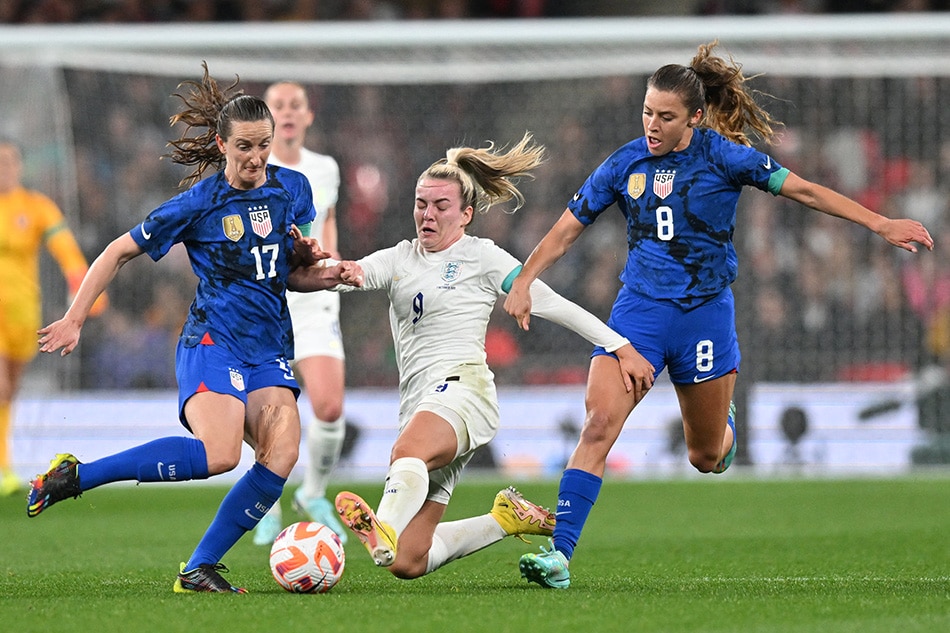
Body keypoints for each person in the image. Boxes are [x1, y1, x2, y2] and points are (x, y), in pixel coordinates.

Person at [504, 40, 935, 589]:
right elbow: (568, 228)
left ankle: (721, 426)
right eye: (646, 112)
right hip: (638, 314)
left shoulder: (724, 155)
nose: (652, 126)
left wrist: (879, 224)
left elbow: (801, 189)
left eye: (666, 117)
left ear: (695, 118)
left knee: (705, 456)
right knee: (598, 425)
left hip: (705, 316)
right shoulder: (624, 163)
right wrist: (525, 278)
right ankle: (560, 556)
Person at [26, 64, 347, 593]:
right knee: (219, 455)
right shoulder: (201, 203)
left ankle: (198, 568)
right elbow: (118, 251)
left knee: (284, 453)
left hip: (268, 346)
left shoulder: (293, 188)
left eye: (263, 145)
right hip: (212, 341)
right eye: (244, 146)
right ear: (222, 144)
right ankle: (78, 475)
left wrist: (327, 272)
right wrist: (75, 316)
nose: (255, 157)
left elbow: (291, 272)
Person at [292, 133, 653, 580]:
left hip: (466, 392)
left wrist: (620, 346)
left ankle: (382, 527)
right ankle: (505, 518)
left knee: (407, 452)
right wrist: (304, 265)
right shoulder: (400, 257)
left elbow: (552, 302)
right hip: (421, 403)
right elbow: (332, 276)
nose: (427, 213)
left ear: (466, 215)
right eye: (421, 203)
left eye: (441, 206)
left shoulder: (482, 257)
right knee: (409, 561)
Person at [252, 80, 348, 546]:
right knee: (272, 411)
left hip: (314, 298)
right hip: (267, 300)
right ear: (266, 117)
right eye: (279, 106)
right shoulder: (253, 168)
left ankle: (312, 494)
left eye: (296, 106)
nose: (288, 113)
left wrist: (331, 264)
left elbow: (327, 221)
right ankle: (266, 504)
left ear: (308, 116)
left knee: (329, 406)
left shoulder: (325, 168)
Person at [0, 138, 106, 496]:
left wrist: (86, 288)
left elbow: (65, 251)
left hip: (22, 314)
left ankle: (4, 465)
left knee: (9, 391)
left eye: (9, 162)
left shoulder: (36, 207)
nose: (4, 168)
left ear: (20, 166)